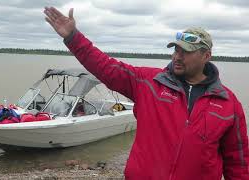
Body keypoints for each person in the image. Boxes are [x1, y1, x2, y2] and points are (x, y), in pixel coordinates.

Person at [43, 7, 249, 180]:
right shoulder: (148, 83)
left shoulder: (228, 104)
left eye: (185, 52)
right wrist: (73, 37)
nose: (177, 56)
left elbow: (238, 162)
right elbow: (105, 67)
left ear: (206, 56)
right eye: (176, 50)